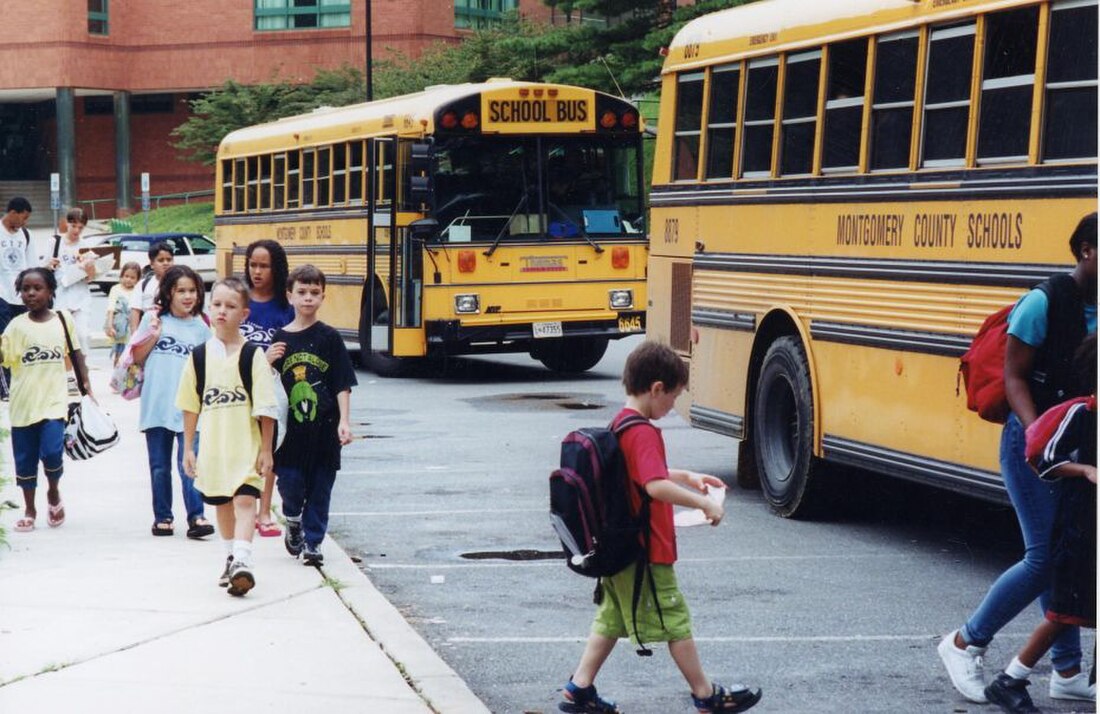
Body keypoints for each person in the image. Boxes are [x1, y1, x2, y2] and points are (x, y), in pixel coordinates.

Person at [939, 213, 1098, 704]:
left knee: (1068, 554)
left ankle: (1068, 671)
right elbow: (1014, 378)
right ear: (1088, 250)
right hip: (1032, 441)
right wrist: (1039, 437)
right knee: (1045, 556)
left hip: (1077, 442)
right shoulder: (1042, 302)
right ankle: (964, 642)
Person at [557, 341, 762, 714]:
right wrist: (703, 503)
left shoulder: (621, 423)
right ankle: (705, 694)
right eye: (673, 397)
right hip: (645, 550)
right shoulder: (644, 432)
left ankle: (578, 688)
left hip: (620, 547)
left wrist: (685, 475)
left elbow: (637, 474)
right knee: (674, 618)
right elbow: (653, 486)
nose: (672, 407)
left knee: (612, 618)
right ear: (656, 388)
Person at [984, 336, 1097, 714]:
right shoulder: (1082, 414)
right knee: (1063, 614)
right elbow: (1044, 459)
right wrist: (1084, 470)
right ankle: (1010, 679)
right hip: (1080, 530)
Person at [178, 277, 277, 597]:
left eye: (231, 306)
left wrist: (266, 450)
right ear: (209, 310)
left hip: (246, 448)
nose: (223, 311)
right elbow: (190, 406)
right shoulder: (199, 357)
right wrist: (188, 449)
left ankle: (243, 561)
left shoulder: (253, 356)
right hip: (214, 449)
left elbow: (266, 408)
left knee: (246, 501)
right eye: (217, 305)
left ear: (244, 314)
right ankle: (231, 557)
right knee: (222, 504)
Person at [269, 265, 356, 566]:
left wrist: (344, 421)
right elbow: (267, 387)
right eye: (302, 292)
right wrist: (266, 362)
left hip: (325, 430)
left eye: (314, 293)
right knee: (290, 484)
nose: (308, 298)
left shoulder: (330, 338)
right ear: (289, 296)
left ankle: (314, 543)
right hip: (290, 434)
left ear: (323, 297)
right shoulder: (280, 338)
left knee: (321, 488)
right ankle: (293, 519)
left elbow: (342, 382)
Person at [3, 267, 92, 532]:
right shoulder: (16, 326)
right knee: (25, 459)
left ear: (51, 291)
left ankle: (53, 491)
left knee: (53, 452)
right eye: (25, 289)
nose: (31, 293)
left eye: (37, 288)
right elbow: (4, 356)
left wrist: (87, 385)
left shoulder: (63, 320)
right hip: (23, 405)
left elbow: (76, 354)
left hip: (54, 402)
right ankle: (29, 509)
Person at [131, 265, 214, 539]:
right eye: (181, 291)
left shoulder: (202, 328)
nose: (188, 296)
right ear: (168, 293)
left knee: (189, 463)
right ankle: (163, 517)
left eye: (192, 291)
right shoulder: (153, 321)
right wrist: (153, 335)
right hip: (157, 405)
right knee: (159, 467)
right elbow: (138, 357)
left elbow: (210, 367)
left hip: (189, 408)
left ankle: (197, 516)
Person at [241, 239, 294, 538]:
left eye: (264, 266)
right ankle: (246, 505)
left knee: (268, 449)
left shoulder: (284, 307)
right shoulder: (240, 299)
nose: (257, 271)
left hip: (273, 388)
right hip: (240, 385)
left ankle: (265, 510)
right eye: (253, 265)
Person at [49, 207, 97, 355]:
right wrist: (49, 264)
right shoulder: (55, 242)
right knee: (60, 338)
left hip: (80, 296)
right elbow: (43, 268)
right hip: (60, 294)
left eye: (80, 227)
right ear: (66, 223)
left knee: (82, 336)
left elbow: (91, 278)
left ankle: (82, 374)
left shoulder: (85, 246)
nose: (76, 230)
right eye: (73, 226)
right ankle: (64, 373)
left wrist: (89, 266)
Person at [0, 197, 35, 336]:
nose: (25, 222)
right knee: (4, 337)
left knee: (20, 337)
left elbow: (33, 267)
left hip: (21, 297)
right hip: (1, 295)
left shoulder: (26, 235)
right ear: (13, 213)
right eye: (24, 218)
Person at [129, 241, 174, 334]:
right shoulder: (143, 285)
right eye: (161, 260)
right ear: (152, 264)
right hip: (148, 333)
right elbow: (135, 311)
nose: (165, 263)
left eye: (169, 260)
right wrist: (135, 336)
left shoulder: (179, 283)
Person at [105, 261, 142, 367]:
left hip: (132, 328)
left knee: (130, 355)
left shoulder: (137, 290)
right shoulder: (115, 289)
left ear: (138, 280)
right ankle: (116, 377)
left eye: (132, 277)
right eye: (126, 276)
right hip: (119, 328)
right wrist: (109, 325)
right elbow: (111, 308)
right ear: (121, 276)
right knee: (119, 353)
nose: (128, 280)